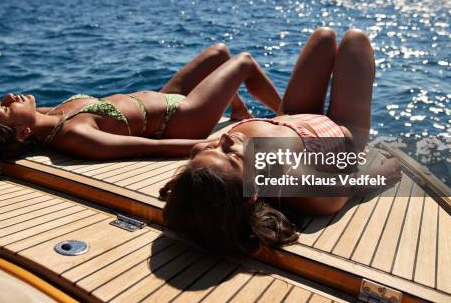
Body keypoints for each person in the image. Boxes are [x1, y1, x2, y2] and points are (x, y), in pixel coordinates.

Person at [160, 28, 402, 254]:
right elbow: (346, 190)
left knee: (323, 36)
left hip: (292, 115)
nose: (222, 139)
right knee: (355, 39)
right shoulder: (289, 180)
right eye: (231, 155)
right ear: (253, 190)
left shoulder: (205, 167)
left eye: (210, 148)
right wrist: (386, 173)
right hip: (339, 130)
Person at [0, 43, 281, 174]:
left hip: (165, 97)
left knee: (219, 53)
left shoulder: (48, 115)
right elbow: (150, 147)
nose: (10, 96)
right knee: (244, 62)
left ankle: (238, 110)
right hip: (181, 119)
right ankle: (288, 112)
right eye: (4, 107)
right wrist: (210, 144)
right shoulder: (74, 134)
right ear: (23, 131)